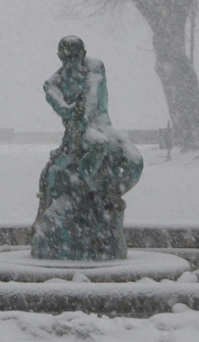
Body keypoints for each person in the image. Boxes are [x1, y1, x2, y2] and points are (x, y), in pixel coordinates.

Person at [31, 35, 143, 261]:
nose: (72, 61)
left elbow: (92, 96)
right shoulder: (53, 82)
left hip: (103, 126)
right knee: (94, 149)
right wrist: (71, 112)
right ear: (60, 57)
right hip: (78, 134)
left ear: (84, 54)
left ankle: (111, 194)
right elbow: (60, 106)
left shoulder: (95, 67)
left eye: (76, 56)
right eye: (67, 57)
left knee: (135, 161)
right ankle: (86, 181)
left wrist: (81, 111)